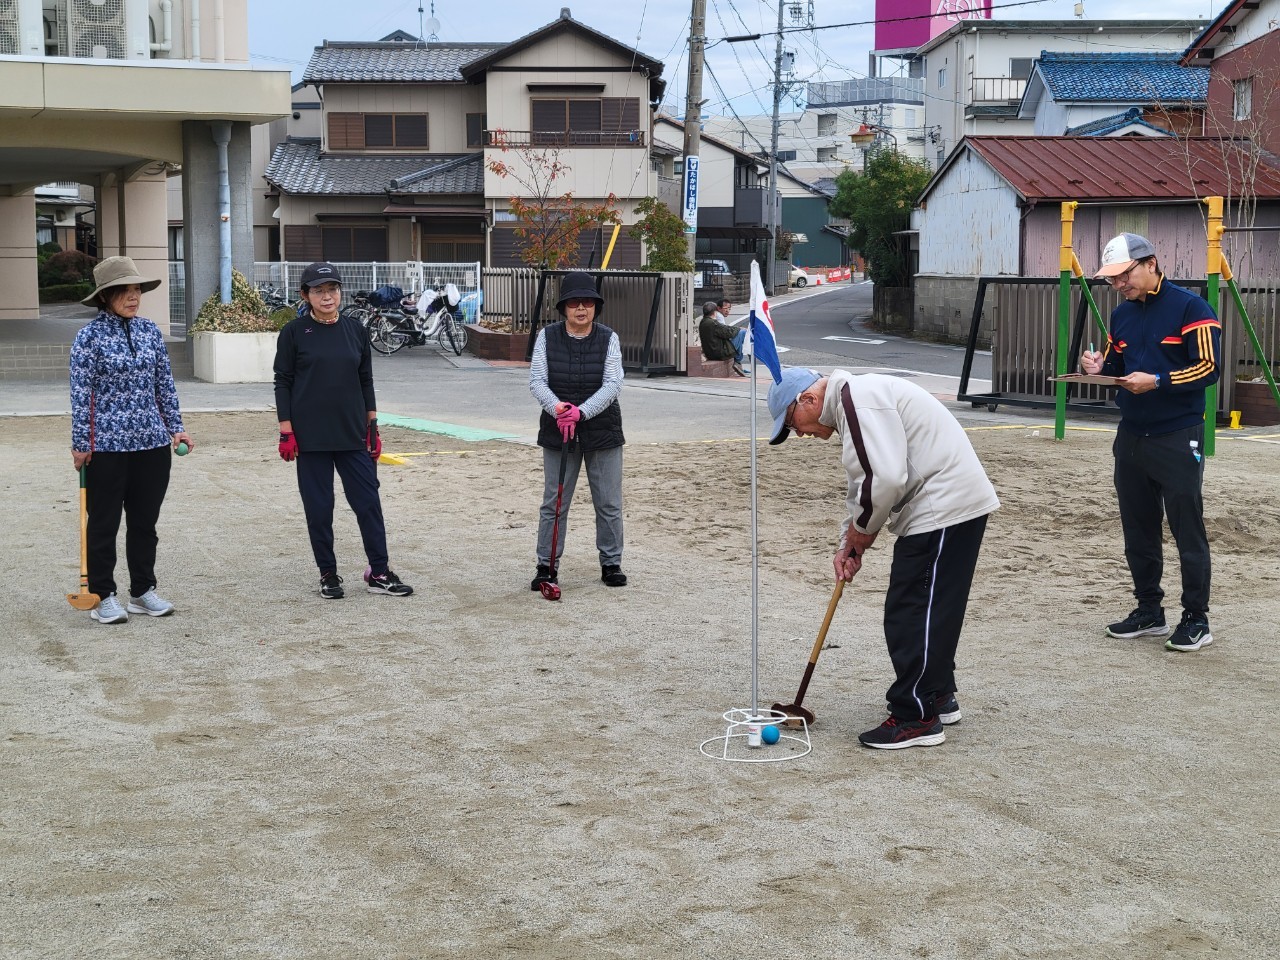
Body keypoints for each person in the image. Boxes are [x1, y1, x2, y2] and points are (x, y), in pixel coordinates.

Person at [768, 367, 1000, 749]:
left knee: (911, 610)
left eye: (793, 424)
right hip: (951, 503)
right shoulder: (857, 398)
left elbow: (886, 480)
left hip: (941, 505)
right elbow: (865, 482)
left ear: (807, 400)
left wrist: (863, 533)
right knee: (932, 608)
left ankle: (916, 716)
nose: (801, 434)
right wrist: (851, 540)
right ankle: (938, 695)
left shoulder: (856, 399)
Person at [1080, 232, 1221, 652]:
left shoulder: (1191, 307)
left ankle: (1197, 618)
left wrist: (1158, 380)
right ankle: (1149, 611)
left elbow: (1209, 368)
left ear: (1151, 263)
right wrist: (1099, 367)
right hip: (1132, 436)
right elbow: (1119, 366)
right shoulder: (1121, 315)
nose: (1119, 285)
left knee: (1186, 528)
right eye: (1112, 279)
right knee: (1137, 527)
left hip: (1178, 433)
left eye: (1124, 275)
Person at [273, 262, 413, 600]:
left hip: (353, 435)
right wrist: (286, 430)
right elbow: (283, 381)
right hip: (310, 438)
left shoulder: (355, 330)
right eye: (318, 290)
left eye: (332, 289)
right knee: (319, 508)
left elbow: (365, 379)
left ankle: (379, 571)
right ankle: (328, 573)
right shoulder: (294, 333)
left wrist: (373, 426)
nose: (327, 296)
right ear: (305, 295)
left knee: (368, 502)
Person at [69, 256, 194, 624]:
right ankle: (103, 594)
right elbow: (81, 394)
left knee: (144, 523)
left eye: (137, 288)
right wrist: (81, 442)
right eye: (125, 290)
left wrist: (176, 427)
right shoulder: (88, 337)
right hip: (106, 447)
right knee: (104, 523)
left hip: (152, 444)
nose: (133, 296)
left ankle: (142, 590)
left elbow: (164, 386)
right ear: (106, 296)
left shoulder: (150, 331)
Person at [529, 272, 627, 589]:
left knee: (608, 503)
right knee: (554, 503)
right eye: (574, 302)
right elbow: (537, 381)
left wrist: (581, 412)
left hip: (603, 431)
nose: (581, 308)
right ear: (564, 307)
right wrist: (558, 408)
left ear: (596, 307)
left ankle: (611, 563)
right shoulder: (547, 337)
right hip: (558, 430)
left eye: (587, 302)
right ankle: (546, 566)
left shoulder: (609, 338)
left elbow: (613, 384)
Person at [698, 300, 746, 376]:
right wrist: (738, 329)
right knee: (742, 333)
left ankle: (738, 361)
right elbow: (727, 333)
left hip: (710, 352)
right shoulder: (713, 323)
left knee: (739, 334)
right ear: (714, 312)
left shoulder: (703, 322)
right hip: (719, 353)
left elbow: (724, 330)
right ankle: (738, 361)